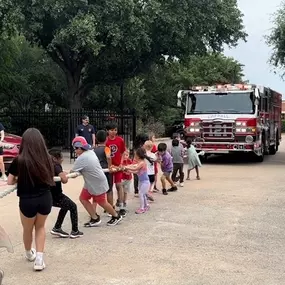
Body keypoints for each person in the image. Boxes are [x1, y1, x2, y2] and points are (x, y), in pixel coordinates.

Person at [7, 128, 54, 271]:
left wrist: (18, 179)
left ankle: (29, 253)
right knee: (40, 227)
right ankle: (39, 259)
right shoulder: (48, 158)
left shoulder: (19, 160)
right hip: (45, 198)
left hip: (27, 200)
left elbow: (9, 181)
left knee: (27, 229)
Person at [71, 136, 122, 226]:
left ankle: (116, 216)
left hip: (97, 182)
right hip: (91, 182)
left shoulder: (82, 158)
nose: (75, 151)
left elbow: (73, 172)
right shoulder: (90, 152)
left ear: (79, 147)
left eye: (75, 148)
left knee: (102, 202)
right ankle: (94, 218)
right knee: (83, 198)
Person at [49, 149, 83, 239]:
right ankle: (75, 231)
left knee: (65, 205)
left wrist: (69, 174)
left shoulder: (47, 164)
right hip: (56, 195)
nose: (62, 160)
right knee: (73, 206)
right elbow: (64, 180)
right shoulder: (56, 165)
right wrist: (66, 177)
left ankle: (57, 227)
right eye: (61, 157)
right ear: (57, 158)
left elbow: (60, 174)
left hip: (47, 195)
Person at [106, 122, 127, 217]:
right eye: (111, 130)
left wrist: (121, 163)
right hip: (110, 167)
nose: (113, 132)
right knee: (109, 187)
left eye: (115, 130)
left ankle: (121, 206)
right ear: (107, 131)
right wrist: (109, 165)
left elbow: (123, 152)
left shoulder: (120, 140)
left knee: (119, 185)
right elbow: (106, 156)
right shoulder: (106, 141)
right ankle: (110, 207)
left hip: (118, 166)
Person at [123, 148, 151, 214]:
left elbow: (135, 168)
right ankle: (146, 205)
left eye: (135, 155)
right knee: (143, 194)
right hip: (142, 181)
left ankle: (142, 208)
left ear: (138, 156)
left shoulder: (142, 163)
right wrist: (129, 170)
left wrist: (126, 167)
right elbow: (136, 171)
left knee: (141, 194)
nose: (134, 156)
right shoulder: (140, 163)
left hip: (145, 182)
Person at [94, 130, 113, 210]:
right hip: (106, 171)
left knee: (96, 191)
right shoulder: (106, 148)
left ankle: (93, 211)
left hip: (97, 171)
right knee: (109, 190)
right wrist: (110, 166)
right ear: (106, 138)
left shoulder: (94, 149)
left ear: (96, 139)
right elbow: (108, 157)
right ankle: (111, 208)